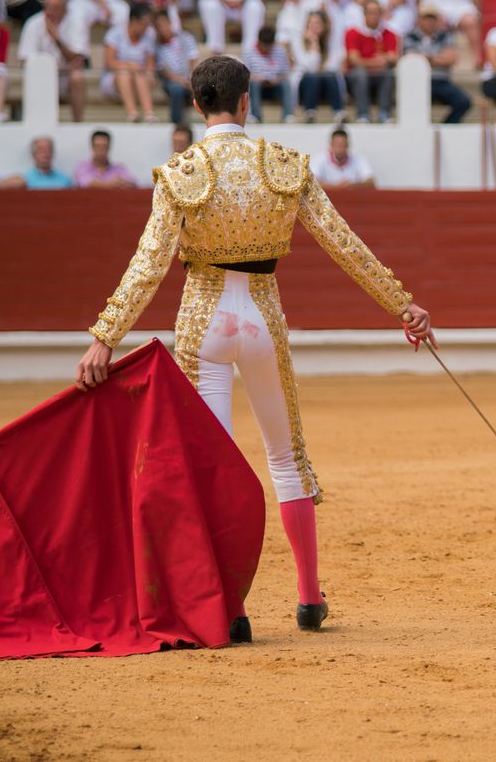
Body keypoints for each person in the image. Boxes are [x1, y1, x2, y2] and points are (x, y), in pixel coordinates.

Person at [75, 55, 434, 639]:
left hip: (204, 322)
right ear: (247, 101)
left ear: (197, 105)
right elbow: (345, 244)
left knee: (215, 468)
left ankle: (232, 609)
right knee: (286, 457)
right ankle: (309, 598)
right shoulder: (283, 166)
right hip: (263, 317)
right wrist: (403, 304)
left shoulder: (180, 172)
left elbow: (148, 266)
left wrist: (104, 338)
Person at [17, 0, 88, 122]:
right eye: (47, 7)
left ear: (65, 10)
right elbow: (26, 61)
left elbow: (78, 59)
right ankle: (39, 123)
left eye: (55, 8)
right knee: (39, 78)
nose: (50, 12)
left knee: (77, 78)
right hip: (41, 76)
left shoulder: (76, 22)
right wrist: (58, 68)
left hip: (64, 78)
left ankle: (78, 123)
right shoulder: (33, 23)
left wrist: (57, 39)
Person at [404, 1, 469, 124]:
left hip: (440, 81)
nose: (429, 22)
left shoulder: (445, 35)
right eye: (426, 18)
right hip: (417, 81)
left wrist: (427, 58)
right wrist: (439, 58)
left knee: (463, 102)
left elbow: (452, 59)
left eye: (432, 18)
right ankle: (418, 130)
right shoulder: (409, 36)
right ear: (419, 19)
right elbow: (410, 59)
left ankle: (445, 128)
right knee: (413, 103)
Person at [102, 2, 158, 123]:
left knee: (140, 73)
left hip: (140, 78)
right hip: (115, 78)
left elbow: (150, 63)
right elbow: (109, 62)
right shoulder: (115, 33)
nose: (146, 27)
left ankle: (149, 113)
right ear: (133, 20)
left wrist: (149, 73)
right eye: (144, 24)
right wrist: (129, 65)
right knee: (124, 73)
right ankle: (132, 113)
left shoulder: (149, 34)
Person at [345, 0, 398, 123]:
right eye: (370, 12)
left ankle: (384, 113)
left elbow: (393, 57)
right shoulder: (353, 33)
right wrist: (378, 61)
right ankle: (363, 114)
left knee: (389, 73)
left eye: (376, 12)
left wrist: (370, 61)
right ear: (364, 14)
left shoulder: (389, 34)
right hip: (358, 77)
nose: (373, 16)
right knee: (360, 74)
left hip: (379, 76)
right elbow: (354, 60)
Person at [291, 9, 345, 123]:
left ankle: (339, 112)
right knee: (313, 76)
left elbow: (333, 66)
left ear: (324, 26)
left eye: (318, 23)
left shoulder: (330, 43)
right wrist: (314, 43)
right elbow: (310, 68)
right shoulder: (298, 42)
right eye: (311, 23)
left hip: (326, 84)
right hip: (304, 85)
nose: (313, 27)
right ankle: (310, 111)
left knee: (330, 75)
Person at [154, 8, 199, 125]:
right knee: (176, 89)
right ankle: (176, 124)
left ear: (169, 23)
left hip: (189, 76)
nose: (162, 28)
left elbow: (193, 60)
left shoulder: (186, 37)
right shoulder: (156, 45)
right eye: (158, 26)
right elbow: (163, 70)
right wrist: (180, 80)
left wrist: (190, 78)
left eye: (164, 23)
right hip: (171, 80)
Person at [243, 24, 295, 123]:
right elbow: (244, 73)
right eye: (264, 45)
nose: (267, 49)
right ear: (259, 41)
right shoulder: (249, 52)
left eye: (269, 46)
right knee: (254, 84)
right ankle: (256, 116)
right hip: (257, 87)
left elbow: (286, 72)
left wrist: (277, 79)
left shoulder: (280, 51)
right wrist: (257, 78)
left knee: (286, 83)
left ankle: (288, 115)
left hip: (276, 86)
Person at [310, 126, 376, 188]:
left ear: (348, 145)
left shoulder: (359, 159)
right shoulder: (319, 159)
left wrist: (352, 185)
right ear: (331, 145)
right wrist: (336, 187)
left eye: (343, 145)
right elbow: (311, 182)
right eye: (337, 145)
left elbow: (371, 182)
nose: (340, 148)